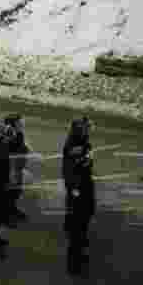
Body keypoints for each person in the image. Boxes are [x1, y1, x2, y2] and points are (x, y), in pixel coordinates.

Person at [62, 117, 95, 275]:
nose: (89, 130)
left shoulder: (83, 144)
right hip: (79, 191)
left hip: (84, 189)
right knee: (77, 226)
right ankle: (74, 262)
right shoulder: (74, 146)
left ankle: (78, 253)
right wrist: (75, 192)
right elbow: (71, 171)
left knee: (82, 222)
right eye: (87, 128)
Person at [4, 114, 29, 224]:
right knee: (9, 192)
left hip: (18, 168)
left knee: (17, 191)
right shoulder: (8, 137)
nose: (23, 124)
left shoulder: (19, 134)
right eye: (20, 123)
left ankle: (12, 209)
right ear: (12, 125)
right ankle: (5, 216)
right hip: (10, 169)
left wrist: (27, 149)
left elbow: (22, 146)